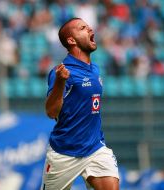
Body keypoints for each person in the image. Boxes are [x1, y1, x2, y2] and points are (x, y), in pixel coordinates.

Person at [41, 18, 120, 190]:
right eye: (83, 28)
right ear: (71, 40)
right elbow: (51, 112)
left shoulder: (95, 69)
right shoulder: (61, 72)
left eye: (89, 26)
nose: (90, 29)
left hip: (95, 148)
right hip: (64, 152)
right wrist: (61, 82)